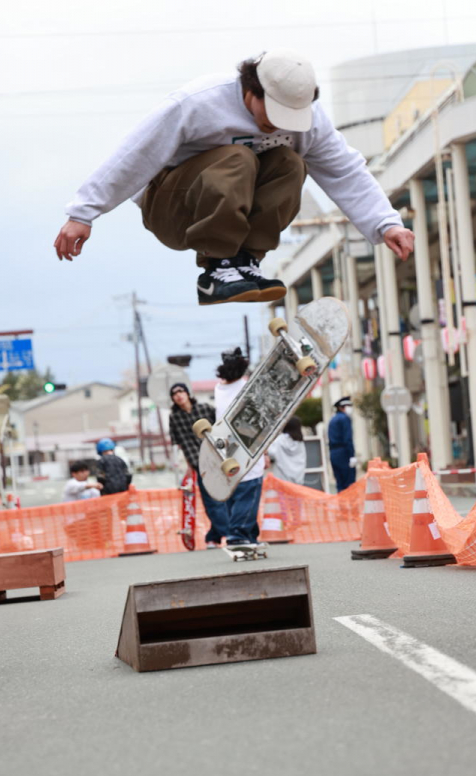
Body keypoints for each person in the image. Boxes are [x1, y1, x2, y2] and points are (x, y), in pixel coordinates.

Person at [54, 50, 414, 307]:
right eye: (270, 114)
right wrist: (83, 212)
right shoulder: (199, 102)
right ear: (250, 90)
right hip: (174, 209)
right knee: (239, 157)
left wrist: (386, 224)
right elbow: (137, 153)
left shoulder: (311, 120)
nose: (277, 124)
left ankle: (244, 261)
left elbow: (343, 168)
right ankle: (217, 267)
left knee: (290, 162)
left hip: (231, 210)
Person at [168, 381, 229, 546]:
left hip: (218, 459)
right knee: (211, 501)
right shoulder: (174, 417)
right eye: (174, 394)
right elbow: (178, 443)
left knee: (226, 498)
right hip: (198, 464)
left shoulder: (205, 409)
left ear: (188, 393)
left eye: (181, 391)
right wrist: (188, 467)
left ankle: (214, 537)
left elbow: (222, 427)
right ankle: (230, 534)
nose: (178, 395)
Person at [214, 349, 263, 547]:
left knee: (234, 494)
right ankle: (238, 534)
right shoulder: (247, 387)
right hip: (248, 445)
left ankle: (251, 535)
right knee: (249, 492)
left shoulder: (219, 390)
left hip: (226, 448)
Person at [267, 415, 307, 484]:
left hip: (281, 478)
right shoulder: (300, 442)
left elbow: (271, 453)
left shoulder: (280, 440)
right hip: (297, 479)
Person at [328, 397, 356, 492]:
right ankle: (349, 506)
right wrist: (351, 455)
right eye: (347, 406)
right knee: (349, 484)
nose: (349, 408)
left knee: (340, 484)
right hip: (343, 453)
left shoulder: (333, 419)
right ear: (341, 408)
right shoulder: (344, 419)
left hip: (334, 453)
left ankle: (341, 506)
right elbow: (347, 439)